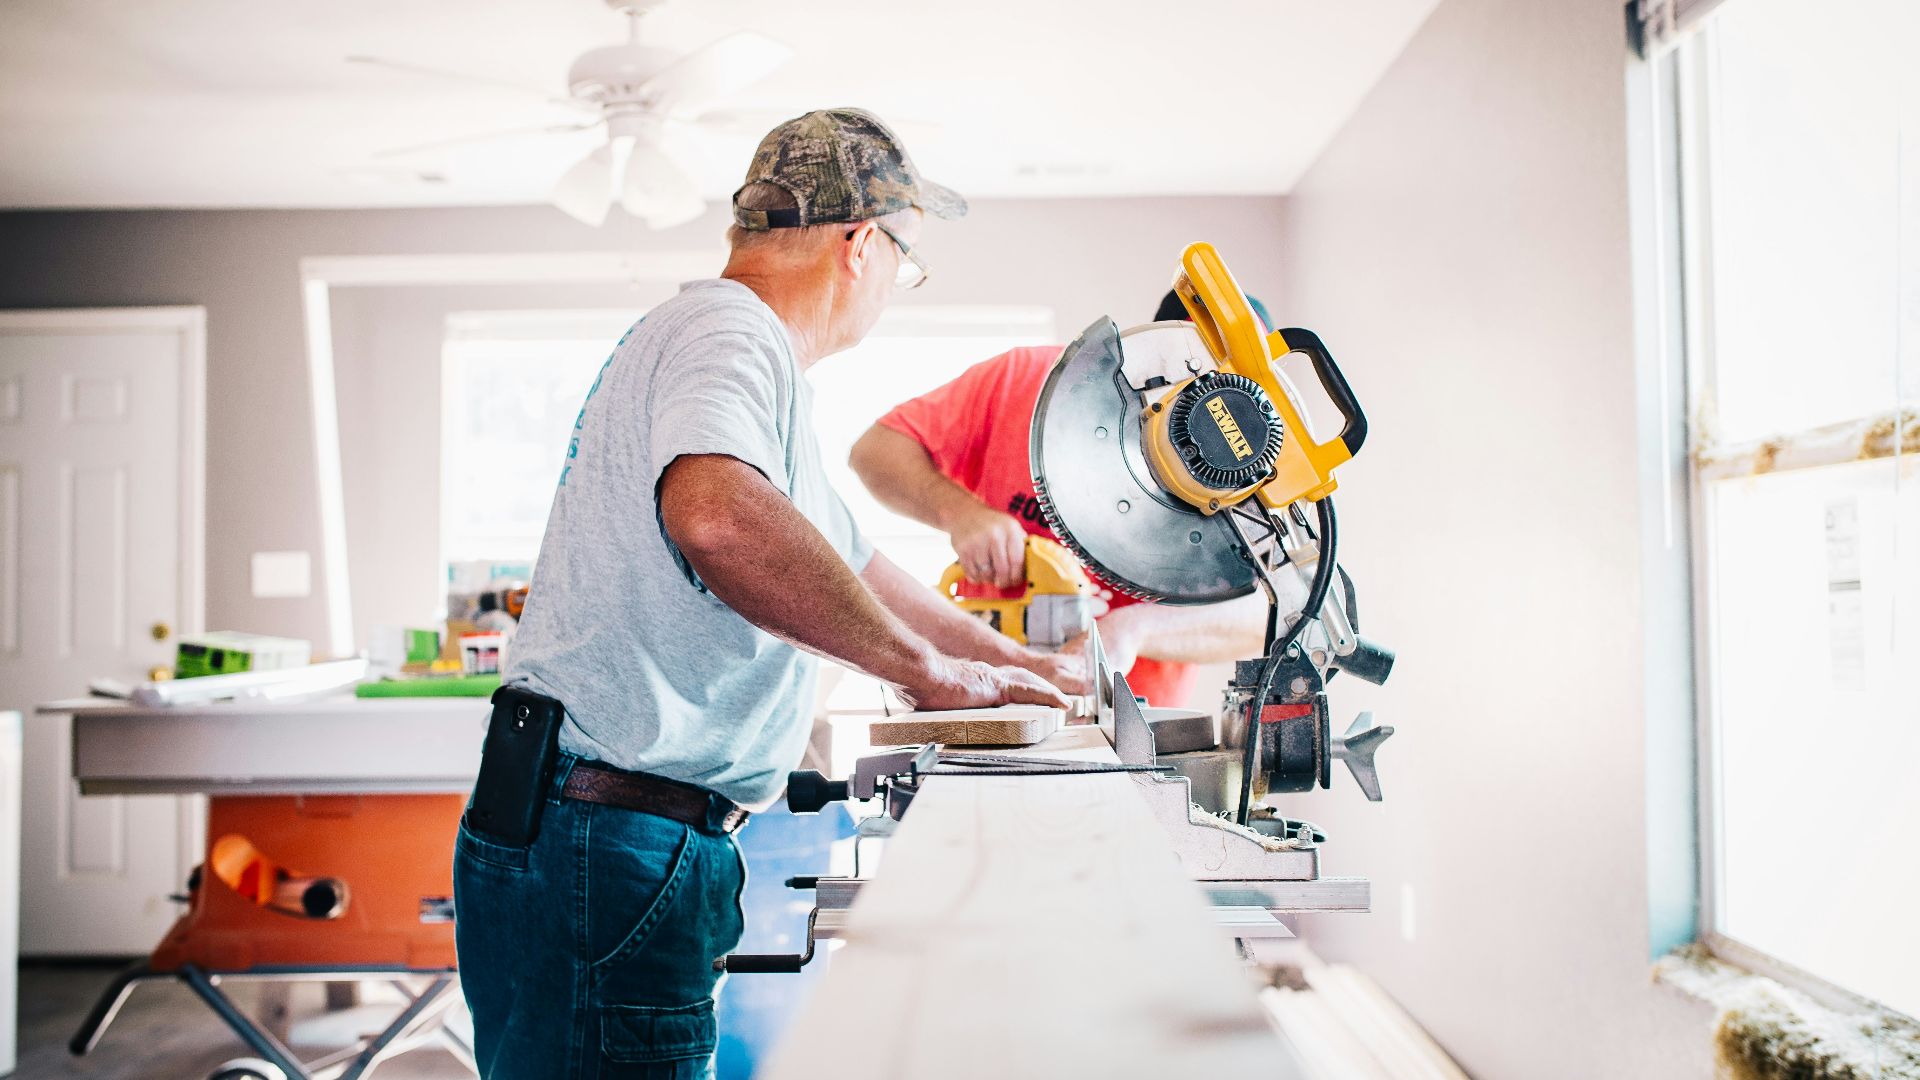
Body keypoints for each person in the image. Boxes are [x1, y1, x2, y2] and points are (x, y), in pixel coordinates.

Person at [452, 108, 1083, 1079]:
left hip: (601, 831)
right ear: (862, 245)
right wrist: (929, 676)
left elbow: (856, 561)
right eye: (905, 266)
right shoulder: (728, 328)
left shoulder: (735, 357)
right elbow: (718, 518)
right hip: (609, 836)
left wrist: (1011, 664)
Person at [848, 291, 1276, 707]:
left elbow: (1269, 615)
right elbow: (875, 451)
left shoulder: (1248, 472)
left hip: (1133, 725)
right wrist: (960, 512)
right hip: (985, 696)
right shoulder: (1025, 379)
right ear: (1148, 344)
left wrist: (1135, 628)